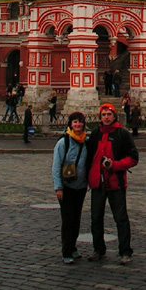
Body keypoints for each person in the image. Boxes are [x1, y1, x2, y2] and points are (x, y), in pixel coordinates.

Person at [85, 103, 139, 265]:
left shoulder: (122, 134)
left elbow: (133, 158)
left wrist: (115, 165)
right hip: (98, 183)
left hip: (116, 183)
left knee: (121, 218)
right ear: (100, 117)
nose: (106, 117)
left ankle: (125, 251)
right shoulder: (95, 134)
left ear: (114, 116)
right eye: (104, 115)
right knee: (96, 218)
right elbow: (88, 157)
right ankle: (98, 249)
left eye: (109, 114)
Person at [52, 112, 88, 264]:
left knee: (76, 219)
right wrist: (58, 187)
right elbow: (56, 166)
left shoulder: (86, 141)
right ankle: (66, 251)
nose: (78, 125)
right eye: (75, 122)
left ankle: (72, 246)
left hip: (80, 187)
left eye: (80, 122)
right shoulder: (63, 143)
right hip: (66, 187)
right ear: (70, 124)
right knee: (68, 219)